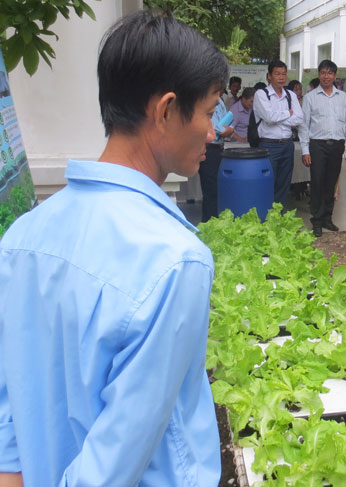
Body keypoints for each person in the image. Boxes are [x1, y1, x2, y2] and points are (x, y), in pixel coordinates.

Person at [0, 11, 227, 487]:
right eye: (208, 111)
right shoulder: (174, 260)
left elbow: (7, 400)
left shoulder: (21, 238)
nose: (214, 131)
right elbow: (117, 459)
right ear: (165, 111)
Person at [299, 59, 346, 237]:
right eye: (323, 72)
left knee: (331, 183)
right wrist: (305, 150)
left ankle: (327, 218)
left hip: (336, 146)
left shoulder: (343, 97)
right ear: (319, 75)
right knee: (317, 182)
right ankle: (316, 220)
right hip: (317, 145)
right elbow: (304, 126)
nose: (326, 76)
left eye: (330, 73)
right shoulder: (310, 98)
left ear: (335, 76)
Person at [253, 60, 303, 207]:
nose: (281, 77)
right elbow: (269, 117)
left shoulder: (291, 95)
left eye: (283, 74)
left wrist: (278, 118)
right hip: (268, 145)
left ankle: (279, 216)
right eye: (277, 74)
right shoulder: (261, 94)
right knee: (267, 183)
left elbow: (299, 118)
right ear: (269, 76)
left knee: (284, 184)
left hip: (287, 144)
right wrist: (288, 113)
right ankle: (265, 216)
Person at [198, 87, 235, 222]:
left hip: (219, 147)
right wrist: (223, 130)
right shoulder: (203, 98)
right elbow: (208, 125)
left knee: (220, 190)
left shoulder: (220, 100)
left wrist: (230, 129)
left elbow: (227, 119)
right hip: (208, 147)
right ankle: (208, 224)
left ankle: (217, 222)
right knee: (211, 191)